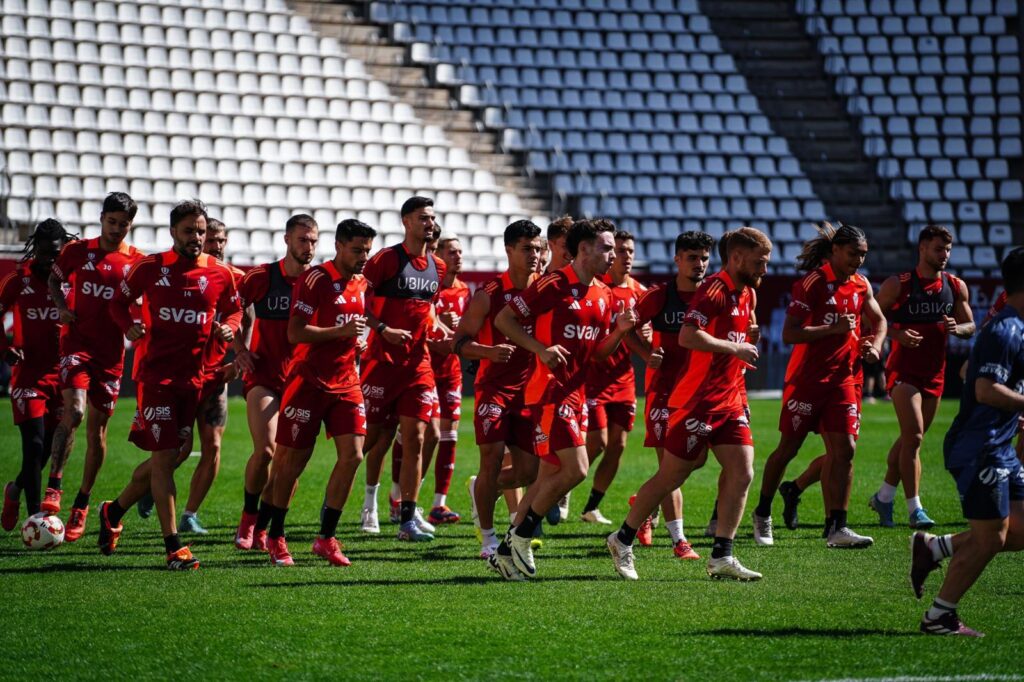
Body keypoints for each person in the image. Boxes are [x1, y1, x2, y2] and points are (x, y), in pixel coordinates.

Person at [606, 227, 771, 582]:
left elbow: (737, 342)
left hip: (729, 400)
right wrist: (735, 347)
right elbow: (688, 335)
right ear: (737, 258)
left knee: (742, 471)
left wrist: (741, 372)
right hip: (694, 401)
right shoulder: (712, 292)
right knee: (671, 475)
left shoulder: (748, 294)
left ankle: (722, 555)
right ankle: (622, 538)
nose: (764, 269)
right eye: (759, 262)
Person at [96, 200, 241, 570]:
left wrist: (230, 328)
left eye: (201, 231)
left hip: (194, 381)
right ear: (173, 231)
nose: (197, 237)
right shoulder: (151, 267)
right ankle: (174, 547)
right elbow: (117, 303)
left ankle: (113, 511)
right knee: (164, 459)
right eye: (189, 231)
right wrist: (128, 326)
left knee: (176, 453)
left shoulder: (220, 273)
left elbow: (235, 309)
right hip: (155, 378)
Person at [490, 219, 637, 580]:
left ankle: (506, 552)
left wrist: (620, 332)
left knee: (549, 475)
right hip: (548, 391)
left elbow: (598, 354)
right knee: (576, 469)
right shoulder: (553, 284)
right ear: (583, 249)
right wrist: (540, 348)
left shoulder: (603, 295)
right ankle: (522, 536)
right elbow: (504, 320)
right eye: (606, 248)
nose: (613, 255)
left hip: (576, 393)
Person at [910, 247, 1024, 637]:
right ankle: (939, 616)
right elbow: (984, 389)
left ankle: (934, 548)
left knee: (1020, 529)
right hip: (981, 447)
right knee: (991, 537)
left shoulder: (1016, 327)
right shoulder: (1006, 329)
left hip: (1000, 446)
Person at [752, 223, 886, 548]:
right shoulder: (812, 283)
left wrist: (875, 346)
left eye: (863, 255)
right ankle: (763, 511)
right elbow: (789, 333)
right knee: (788, 449)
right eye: (853, 254)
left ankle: (837, 526)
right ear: (835, 251)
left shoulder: (861, 284)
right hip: (808, 380)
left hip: (844, 379)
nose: (858, 261)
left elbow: (879, 320)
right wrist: (832, 328)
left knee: (845, 451)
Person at [263, 219, 375, 567]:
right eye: (357, 250)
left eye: (367, 251)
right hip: (308, 381)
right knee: (292, 464)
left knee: (353, 456)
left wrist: (358, 341)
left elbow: (356, 327)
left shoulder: (361, 283)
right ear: (338, 246)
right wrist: (341, 331)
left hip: (346, 382)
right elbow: (296, 333)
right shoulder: (316, 280)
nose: (363, 257)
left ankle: (326, 538)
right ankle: (275, 535)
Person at [43, 193, 144, 540]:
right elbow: (53, 280)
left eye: (123, 224)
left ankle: (82, 503)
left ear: (130, 225)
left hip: (111, 357)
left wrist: (139, 322)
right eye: (111, 221)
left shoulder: (137, 261)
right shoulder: (77, 251)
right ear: (101, 218)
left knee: (97, 433)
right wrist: (61, 307)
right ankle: (54, 484)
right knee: (74, 411)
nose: (116, 229)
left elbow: (147, 299)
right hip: (77, 346)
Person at [868, 225, 975, 529]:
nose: (945, 255)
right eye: (939, 249)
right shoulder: (898, 284)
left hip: (935, 374)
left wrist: (958, 329)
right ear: (923, 248)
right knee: (914, 437)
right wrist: (897, 334)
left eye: (948, 249)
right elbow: (870, 317)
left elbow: (970, 326)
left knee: (910, 440)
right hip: (903, 371)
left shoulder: (955, 286)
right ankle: (915, 508)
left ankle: (884, 497)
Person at [453, 220, 544, 558]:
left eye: (538, 249)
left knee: (528, 472)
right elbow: (458, 342)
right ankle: (489, 539)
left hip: (531, 392)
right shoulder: (489, 294)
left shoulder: (545, 290)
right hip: (494, 390)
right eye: (527, 249)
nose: (534, 255)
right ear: (509, 250)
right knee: (491, 459)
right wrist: (488, 352)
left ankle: (480, 489)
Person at [359, 196, 448, 541]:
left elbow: (428, 309)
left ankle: (407, 518)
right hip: (382, 363)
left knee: (419, 437)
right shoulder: (386, 259)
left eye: (432, 218)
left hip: (418, 365)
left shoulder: (438, 267)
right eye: (423, 218)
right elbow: (357, 300)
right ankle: (367, 502)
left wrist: (439, 327)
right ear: (406, 221)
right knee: (372, 440)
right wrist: (382, 329)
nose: (430, 223)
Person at [623, 231, 715, 559]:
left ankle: (645, 500)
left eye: (704, 258)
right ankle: (679, 541)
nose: (699, 264)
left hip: (701, 394)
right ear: (677, 260)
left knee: (694, 461)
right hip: (665, 394)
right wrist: (647, 353)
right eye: (692, 257)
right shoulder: (660, 295)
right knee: (670, 466)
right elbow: (626, 328)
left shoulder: (712, 295)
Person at [232, 215, 318, 551]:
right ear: (287, 240)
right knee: (266, 450)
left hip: (303, 382)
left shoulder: (319, 281)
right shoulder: (262, 277)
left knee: (288, 463)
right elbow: (231, 311)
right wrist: (240, 350)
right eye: (302, 240)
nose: (308, 247)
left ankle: (264, 527)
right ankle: (248, 516)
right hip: (264, 376)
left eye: (313, 241)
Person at [1, 220, 77, 531]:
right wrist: (4, 348)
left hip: (65, 376)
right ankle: (35, 518)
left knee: (47, 449)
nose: (48, 259)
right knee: (32, 445)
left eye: (54, 254)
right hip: (28, 376)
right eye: (43, 253)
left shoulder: (73, 281)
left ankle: (15, 489)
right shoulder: (18, 280)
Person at [175, 219, 245, 534]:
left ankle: (189, 514)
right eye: (211, 240)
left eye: (221, 240)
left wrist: (239, 358)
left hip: (216, 375)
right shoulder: (185, 275)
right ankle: (148, 486)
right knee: (178, 449)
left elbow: (246, 316)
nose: (216, 246)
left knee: (213, 445)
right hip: (182, 375)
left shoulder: (235, 277)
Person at [579, 230, 647, 525]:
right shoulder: (597, 286)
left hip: (623, 379)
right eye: (620, 250)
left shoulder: (640, 292)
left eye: (630, 250)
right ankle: (564, 485)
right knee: (598, 441)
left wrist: (648, 334)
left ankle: (591, 507)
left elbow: (647, 332)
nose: (626, 256)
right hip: (593, 376)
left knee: (618, 445)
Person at [423, 236, 470, 525]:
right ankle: (399, 497)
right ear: (438, 255)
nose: (458, 256)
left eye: (460, 252)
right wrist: (440, 319)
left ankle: (439, 504)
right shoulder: (429, 287)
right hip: (425, 368)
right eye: (451, 252)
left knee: (449, 435)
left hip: (451, 370)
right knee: (420, 435)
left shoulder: (464, 290)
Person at [542, 214, 575, 523]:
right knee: (538, 453)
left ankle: (553, 495)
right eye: (566, 244)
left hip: (574, 380)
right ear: (551, 244)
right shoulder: (539, 281)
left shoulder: (581, 280)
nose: (570, 250)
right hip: (540, 377)